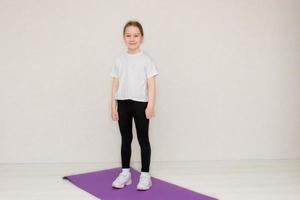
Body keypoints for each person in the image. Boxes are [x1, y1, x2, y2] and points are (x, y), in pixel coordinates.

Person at [110, 20, 158, 191]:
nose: (132, 38)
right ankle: (126, 173)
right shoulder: (119, 60)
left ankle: (145, 175)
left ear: (142, 38)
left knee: (143, 139)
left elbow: (151, 84)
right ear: (123, 38)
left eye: (136, 35)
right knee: (126, 138)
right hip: (123, 102)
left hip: (141, 103)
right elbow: (115, 84)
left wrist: (150, 105)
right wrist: (113, 105)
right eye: (128, 35)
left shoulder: (146, 60)